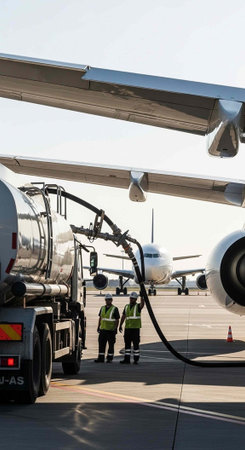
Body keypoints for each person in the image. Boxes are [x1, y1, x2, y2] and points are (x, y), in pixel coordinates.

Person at [119, 291, 144, 364]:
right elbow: (123, 316)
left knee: (136, 345)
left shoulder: (137, 306)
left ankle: (136, 360)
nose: (131, 300)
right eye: (130, 298)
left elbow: (142, 305)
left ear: (136, 299)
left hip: (135, 329)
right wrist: (120, 325)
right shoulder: (126, 306)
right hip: (128, 329)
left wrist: (142, 297)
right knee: (127, 345)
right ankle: (127, 359)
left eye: (133, 299)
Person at [94, 293, 120, 363]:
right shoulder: (102, 308)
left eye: (109, 300)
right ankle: (101, 358)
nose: (107, 301)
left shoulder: (115, 309)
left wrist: (116, 328)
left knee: (111, 345)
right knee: (101, 345)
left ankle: (109, 358)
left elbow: (117, 319)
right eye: (106, 300)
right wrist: (98, 326)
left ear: (111, 300)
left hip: (111, 330)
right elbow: (100, 318)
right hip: (103, 330)